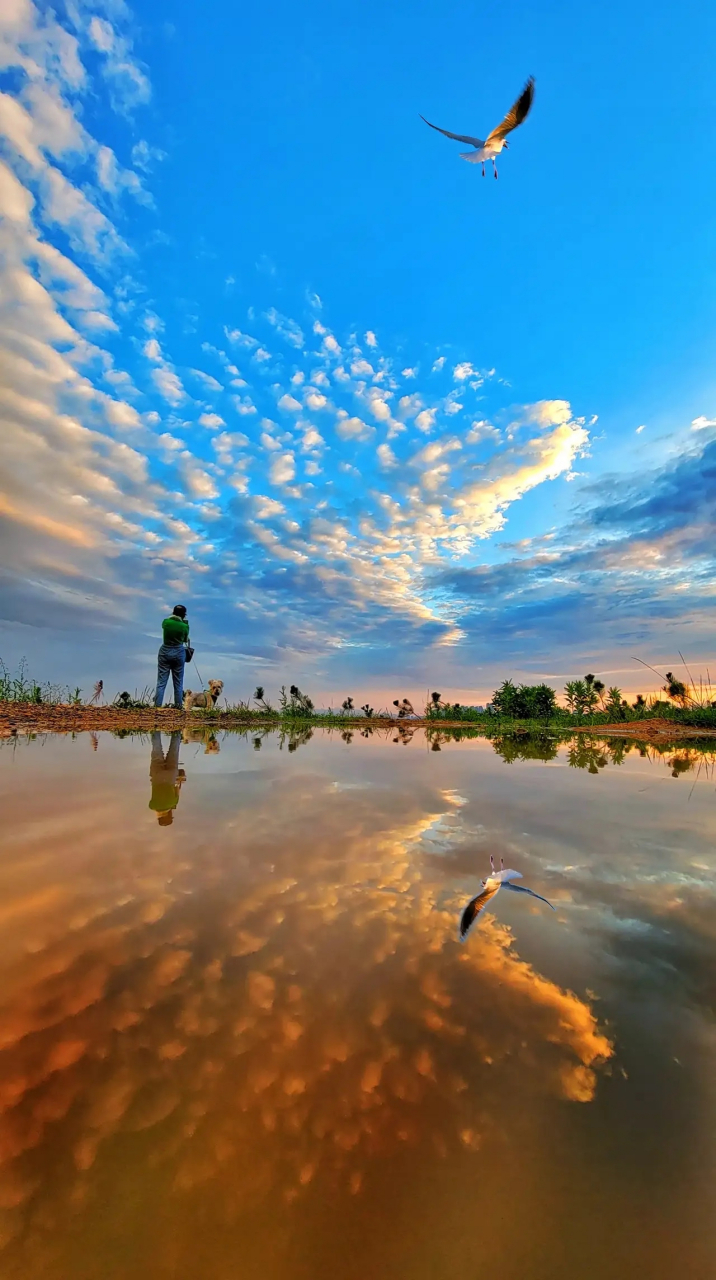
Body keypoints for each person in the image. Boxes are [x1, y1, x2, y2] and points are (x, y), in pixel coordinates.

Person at [155, 604, 190, 709]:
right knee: (178, 682)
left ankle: (157, 706)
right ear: (184, 615)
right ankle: (178, 706)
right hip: (179, 652)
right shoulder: (185, 626)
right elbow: (184, 640)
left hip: (165, 650)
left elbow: (165, 625)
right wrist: (184, 623)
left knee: (161, 682)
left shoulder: (166, 622)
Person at [148, 731, 186, 825]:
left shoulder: (173, 803)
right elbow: (153, 805)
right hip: (157, 777)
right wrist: (159, 813)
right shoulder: (153, 806)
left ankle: (177, 731)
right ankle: (155, 728)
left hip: (170, 777)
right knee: (156, 750)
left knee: (174, 750)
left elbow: (177, 787)